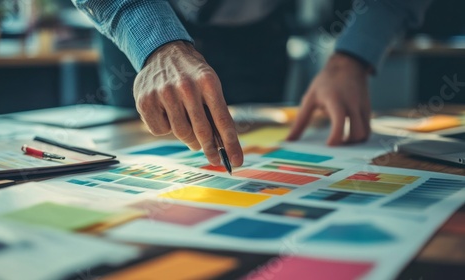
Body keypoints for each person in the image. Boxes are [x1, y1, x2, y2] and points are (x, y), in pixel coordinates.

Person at [72, 0, 431, 167]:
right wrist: (155, 42)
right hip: (139, 20)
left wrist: (355, 54)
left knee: (252, 147)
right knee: (136, 153)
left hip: (258, 32)